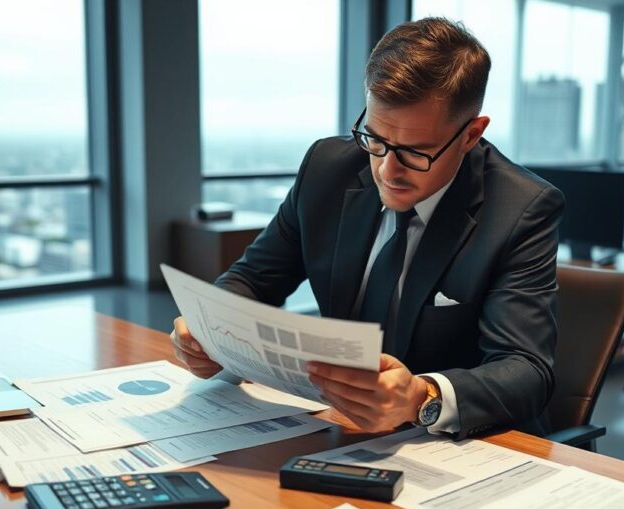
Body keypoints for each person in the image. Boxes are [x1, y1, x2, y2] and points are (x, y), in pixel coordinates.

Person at [172, 17, 563, 440]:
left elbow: (527, 371)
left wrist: (420, 396)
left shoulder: (521, 209)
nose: (386, 170)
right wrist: (208, 330)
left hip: (458, 444)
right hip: (340, 429)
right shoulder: (328, 169)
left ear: (472, 134)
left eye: (416, 152)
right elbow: (252, 278)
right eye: (375, 139)